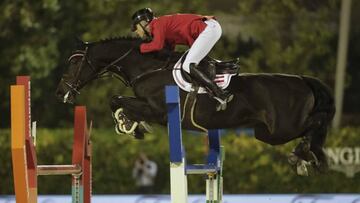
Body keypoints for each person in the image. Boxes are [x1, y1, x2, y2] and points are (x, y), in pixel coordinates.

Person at [131, 8, 233, 110]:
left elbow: (157, 45)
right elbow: (169, 49)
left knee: (187, 65)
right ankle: (220, 75)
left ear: (143, 23)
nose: (136, 32)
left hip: (208, 30)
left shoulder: (158, 24)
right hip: (209, 28)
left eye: (136, 28)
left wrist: (139, 48)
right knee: (190, 62)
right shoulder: (159, 25)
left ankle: (220, 93)